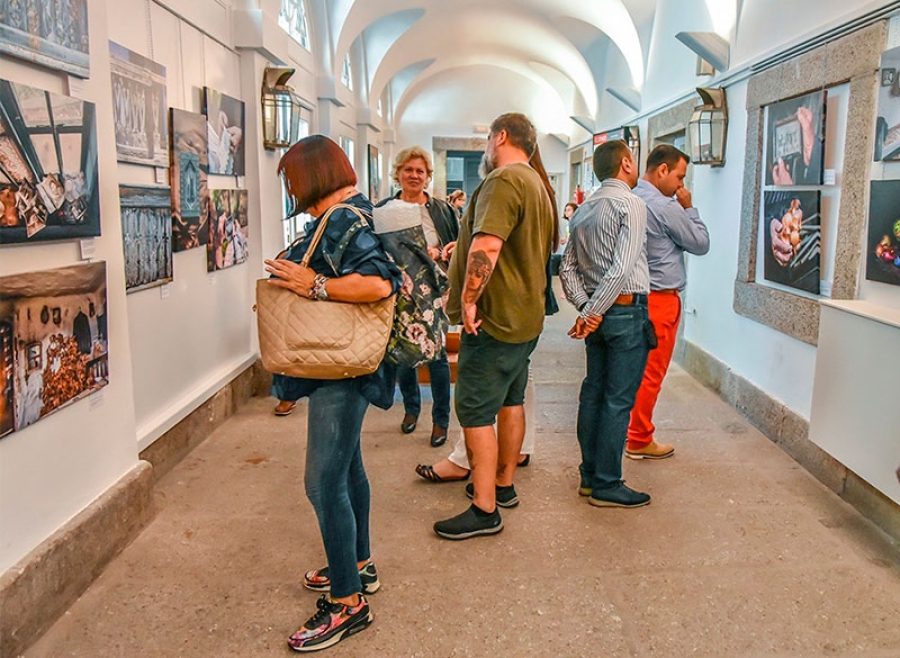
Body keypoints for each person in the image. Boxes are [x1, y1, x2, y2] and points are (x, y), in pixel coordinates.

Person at [264, 135, 402, 652]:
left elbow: (378, 284)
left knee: (322, 483)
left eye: (291, 178)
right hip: (342, 364)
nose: (289, 187)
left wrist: (311, 285)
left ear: (311, 176)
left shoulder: (345, 219)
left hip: (340, 370)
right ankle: (358, 565)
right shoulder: (348, 212)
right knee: (347, 470)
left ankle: (348, 604)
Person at [433, 113, 556, 540]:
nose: (487, 146)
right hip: (524, 316)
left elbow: (489, 245)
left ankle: (484, 508)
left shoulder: (503, 181)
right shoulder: (537, 184)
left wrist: (468, 299)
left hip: (495, 318)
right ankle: (503, 485)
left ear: (500, 136)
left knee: (475, 410)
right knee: (511, 399)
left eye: (488, 138)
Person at [560, 139, 654, 509]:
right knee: (617, 400)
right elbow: (622, 266)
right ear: (626, 163)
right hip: (625, 313)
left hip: (597, 316)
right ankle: (607, 483)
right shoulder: (631, 203)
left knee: (593, 393)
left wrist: (585, 308)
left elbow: (566, 267)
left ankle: (589, 475)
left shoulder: (583, 209)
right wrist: (594, 311)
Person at [626, 145, 709, 460]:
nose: (681, 186)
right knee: (652, 372)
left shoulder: (630, 198)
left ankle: (626, 429)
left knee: (632, 370)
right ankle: (639, 438)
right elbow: (700, 244)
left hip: (632, 296)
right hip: (661, 299)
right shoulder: (667, 205)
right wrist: (689, 208)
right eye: (679, 176)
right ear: (662, 170)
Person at [375, 146, 459, 447]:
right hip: (398, 292)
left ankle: (441, 420)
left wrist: (440, 253)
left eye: (420, 171)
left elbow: (456, 246)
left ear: (428, 177)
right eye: (408, 170)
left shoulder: (441, 209)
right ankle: (411, 410)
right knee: (404, 356)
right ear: (398, 173)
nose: (414, 175)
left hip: (434, 292)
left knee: (437, 357)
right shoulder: (384, 210)